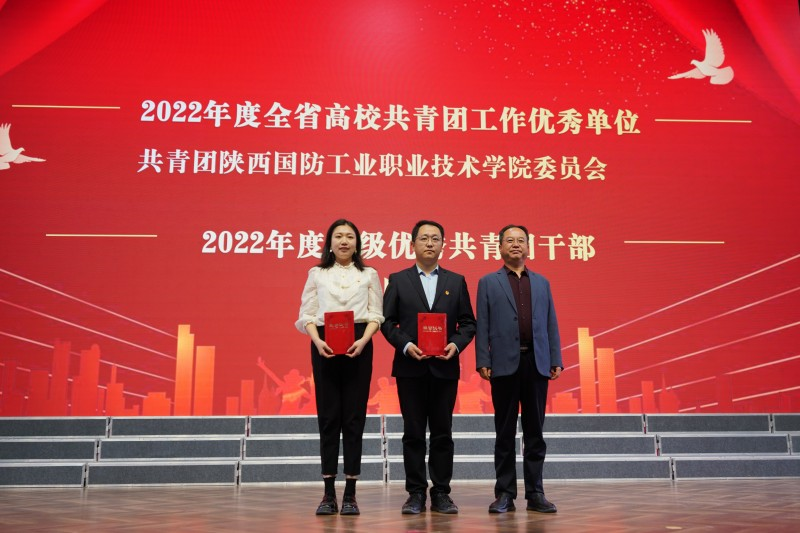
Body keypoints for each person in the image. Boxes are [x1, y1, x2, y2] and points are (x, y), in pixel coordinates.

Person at [381, 220, 476, 515]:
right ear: (413, 245)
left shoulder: (456, 281)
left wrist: (456, 345)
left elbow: (468, 323)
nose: (430, 243)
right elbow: (387, 322)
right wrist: (406, 345)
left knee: (442, 433)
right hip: (410, 367)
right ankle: (415, 493)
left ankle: (441, 492)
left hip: (444, 368)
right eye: (424, 238)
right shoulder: (398, 279)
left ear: (443, 245)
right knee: (412, 432)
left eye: (436, 238)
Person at [296, 219, 384, 516]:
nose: (344, 241)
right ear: (330, 243)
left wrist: (364, 340)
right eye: (338, 236)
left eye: (350, 237)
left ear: (357, 243)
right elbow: (307, 314)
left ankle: (350, 494)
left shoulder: (369, 274)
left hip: (360, 343)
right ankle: (328, 493)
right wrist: (317, 341)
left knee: (354, 418)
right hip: (324, 345)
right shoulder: (316, 273)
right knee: (329, 417)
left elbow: (376, 314)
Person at [475, 224, 563, 514]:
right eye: (510, 241)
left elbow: (550, 322)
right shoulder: (488, 282)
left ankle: (536, 493)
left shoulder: (542, 282)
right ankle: (504, 494)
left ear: (528, 247)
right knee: (504, 432)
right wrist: (483, 360)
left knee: (535, 432)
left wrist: (555, 357)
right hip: (503, 364)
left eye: (521, 241)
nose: (516, 245)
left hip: (536, 363)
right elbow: (483, 324)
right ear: (500, 247)